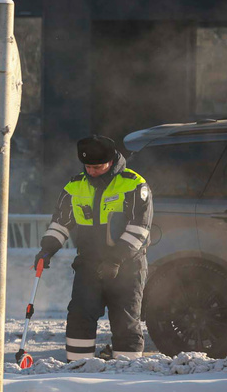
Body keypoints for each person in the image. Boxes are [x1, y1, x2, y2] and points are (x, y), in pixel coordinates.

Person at [35, 135, 153, 361]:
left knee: (125, 320)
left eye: (97, 167)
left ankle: (127, 370)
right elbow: (60, 223)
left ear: (111, 161)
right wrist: (47, 249)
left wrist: (115, 260)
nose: (92, 172)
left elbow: (140, 229)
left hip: (127, 266)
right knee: (79, 315)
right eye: (88, 167)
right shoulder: (74, 186)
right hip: (88, 264)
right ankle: (77, 366)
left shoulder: (134, 184)